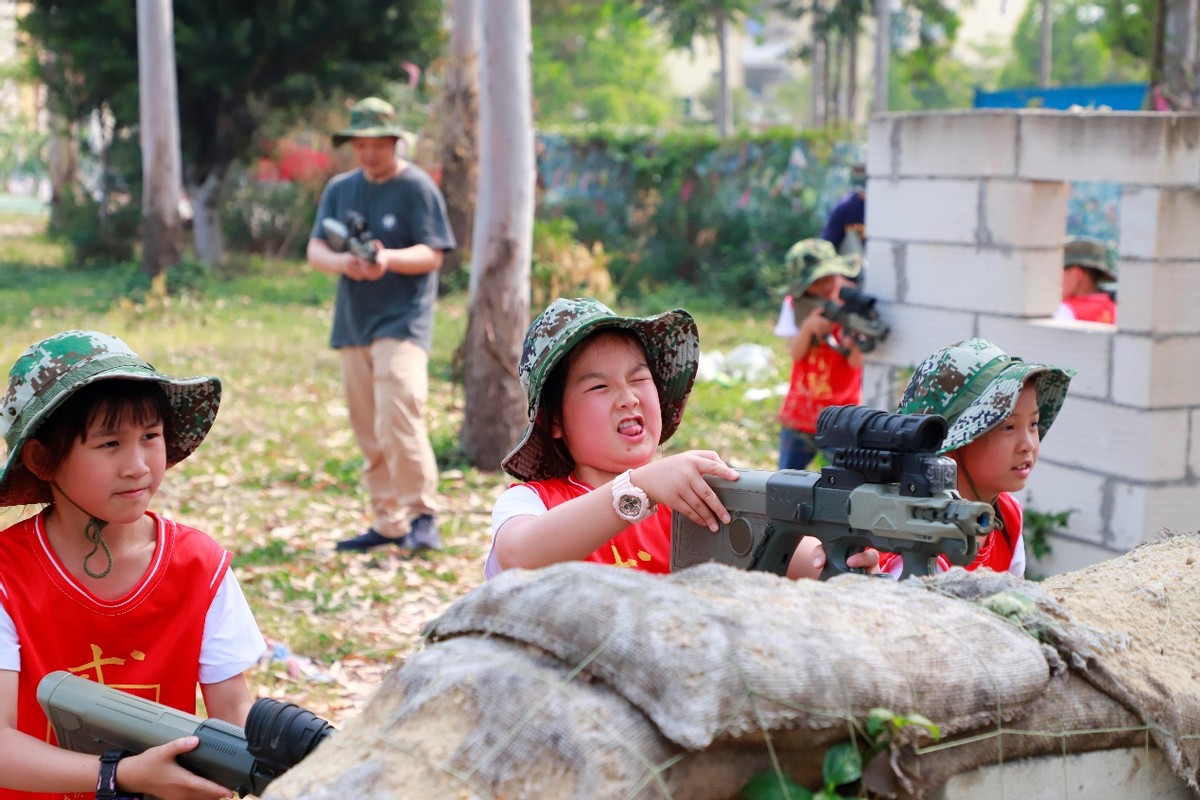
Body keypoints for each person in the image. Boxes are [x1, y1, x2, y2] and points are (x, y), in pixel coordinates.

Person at [0, 330, 266, 800]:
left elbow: (234, 713)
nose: (138, 465)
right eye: (109, 444)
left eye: (150, 437)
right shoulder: (7, 575)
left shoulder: (199, 567)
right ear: (42, 460)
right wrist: (116, 776)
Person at [484, 297, 879, 582]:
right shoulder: (532, 502)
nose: (628, 397)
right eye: (599, 387)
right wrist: (638, 488)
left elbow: (788, 553)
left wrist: (836, 554)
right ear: (555, 422)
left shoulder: (691, 499)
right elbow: (520, 556)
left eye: (639, 379)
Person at [306, 97, 456, 554]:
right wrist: (344, 263)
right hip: (354, 323)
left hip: (403, 321)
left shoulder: (417, 188)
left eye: (378, 143)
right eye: (361, 144)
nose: (369, 153)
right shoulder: (340, 188)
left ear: (395, 141)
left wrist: (386, 259)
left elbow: (433, 253)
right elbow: (316, 250)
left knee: (399, 413)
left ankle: (421, 514)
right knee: (368, 426)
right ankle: (388, 521)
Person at [879, 338, 1073, 578]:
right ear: (951, 445)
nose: (1029, 445)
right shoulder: (917, 545)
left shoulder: (1007, 515)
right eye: (1008, 427)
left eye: (1033, 424)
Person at [774, 239, 865, 471]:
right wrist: (808, 328)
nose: (825, 286)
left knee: (843, 481)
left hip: (841, 416)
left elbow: (856, 362)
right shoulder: (795, 306)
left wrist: (854, 344)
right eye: (817, 282)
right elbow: (796, 354)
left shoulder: (850, 304)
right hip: (799, 414)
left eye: (829, 278)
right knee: (786, 480)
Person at [1053, 236, 1117, 324]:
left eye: (1061, 270)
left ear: (1077, 273)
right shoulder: (1115, 309)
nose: (1056, 279)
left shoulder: (1064, 311)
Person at [820, 163, 866, 256]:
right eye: (857, 171)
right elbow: (826, 246)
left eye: (862, 171)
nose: (860, 175)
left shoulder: (887, 209)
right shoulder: (846, 207)